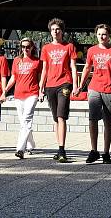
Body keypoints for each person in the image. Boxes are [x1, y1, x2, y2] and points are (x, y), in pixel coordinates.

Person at [79, 23, 111, 164]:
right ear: (96, 35)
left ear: (109, 35)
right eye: (99, 34)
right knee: (92, 119)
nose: (102, 36)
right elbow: (87, 68)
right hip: (94, 88)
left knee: (108, 122)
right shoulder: (92, 50)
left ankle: (106, 152)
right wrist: (80, 86)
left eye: (104, 34)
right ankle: (94, 151)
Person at [39, 17, 78, 163]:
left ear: (62, 31)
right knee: (56, 118)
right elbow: (44, 69)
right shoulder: (46, 48)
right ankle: (58, 148)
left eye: (58, 29)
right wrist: (40, 89)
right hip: (50, 85)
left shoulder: (69, 46)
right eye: (53, 29)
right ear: (50, 32)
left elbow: (73, 67)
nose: (55, 32)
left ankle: (62, 150)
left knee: (61, 116)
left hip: (64, 84)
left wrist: (75, 85)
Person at [4, 37, 42, 159]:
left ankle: (20, 148)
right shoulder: (16, 61)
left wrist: (41, 91)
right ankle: (31, 144)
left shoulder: (37, 61)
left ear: (32, 47)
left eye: (28, 46)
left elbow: (41, 78)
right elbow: (13, 78)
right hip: (18, 94)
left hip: (32, 93)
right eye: (23, 46)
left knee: (26, 120)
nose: (25, 49)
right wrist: (4, 91)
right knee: (23, 122)